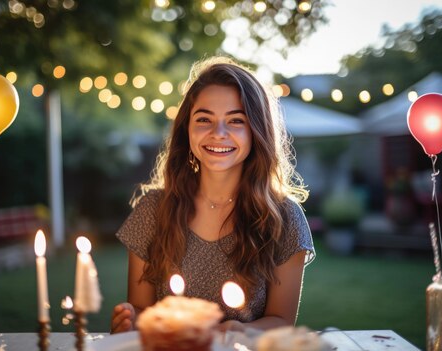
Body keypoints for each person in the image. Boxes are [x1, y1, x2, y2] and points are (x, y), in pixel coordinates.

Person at [110, 56, 314, 333]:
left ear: (257, 132)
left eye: (236, 120)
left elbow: (281, 322)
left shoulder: (284, 218)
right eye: (204, 119)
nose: (218, 133)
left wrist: (237, 331)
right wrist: (131, 320)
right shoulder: (153, 210)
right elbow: (142, 312)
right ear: (187, 128)